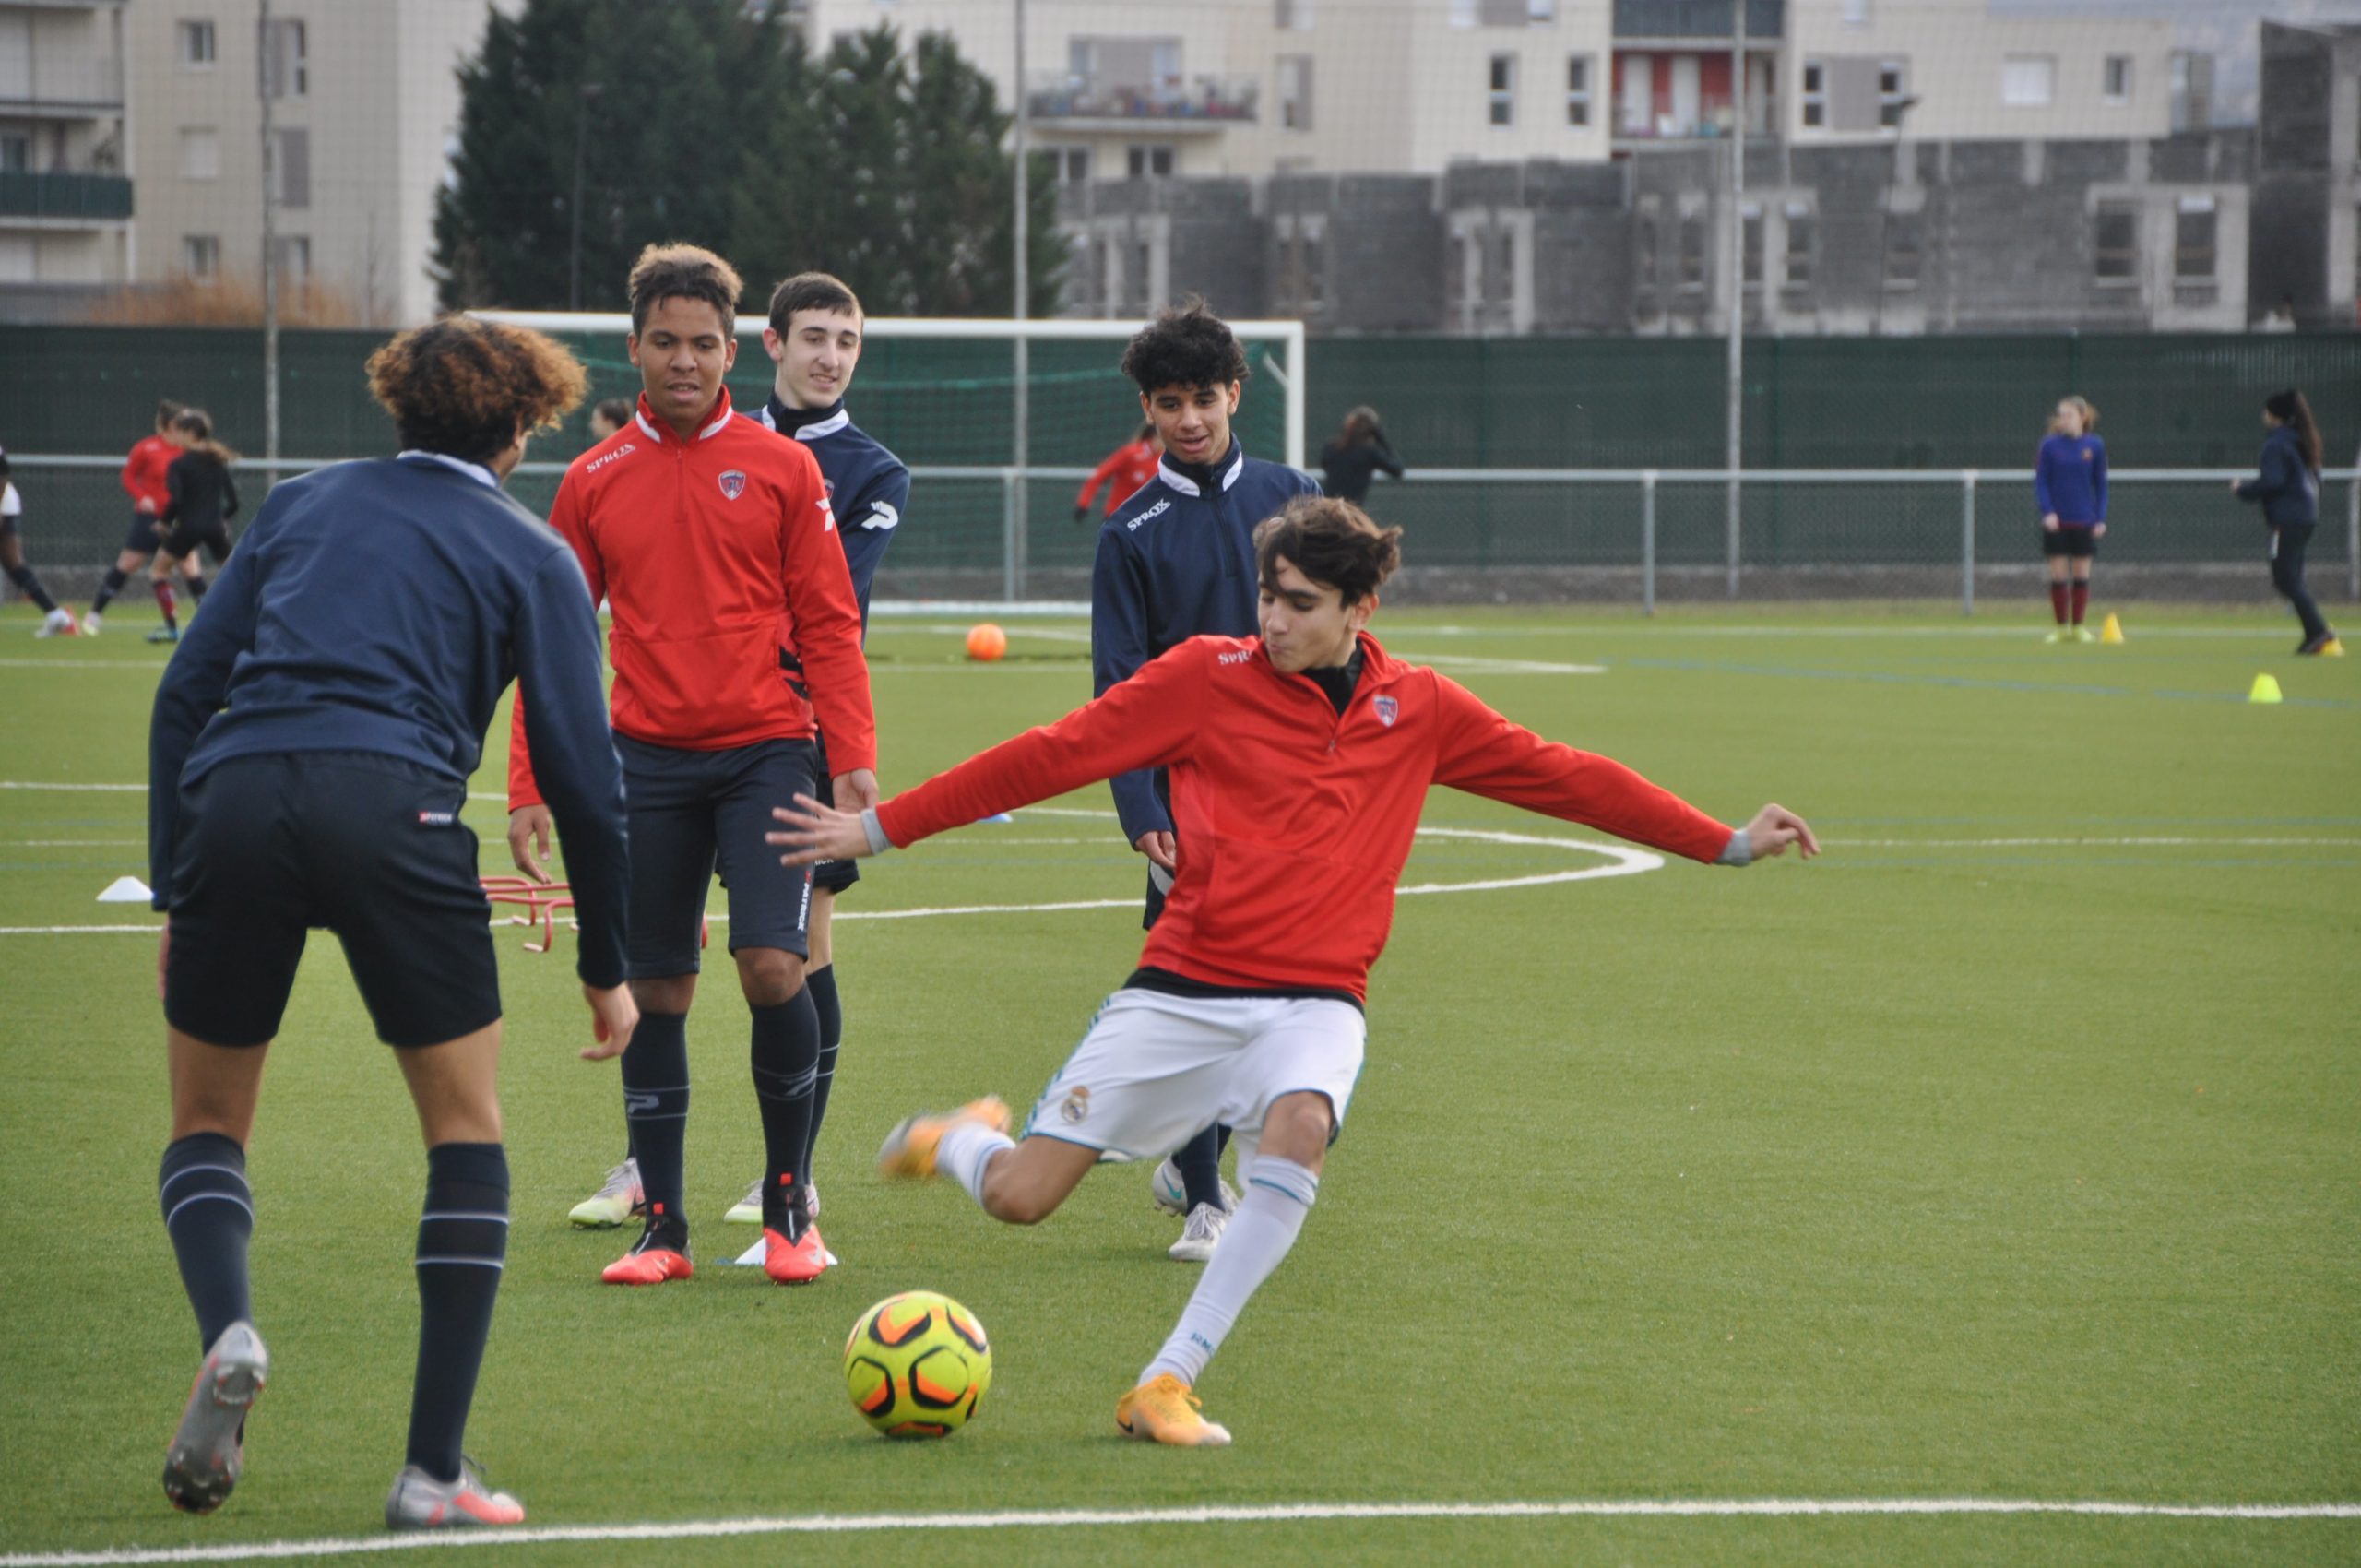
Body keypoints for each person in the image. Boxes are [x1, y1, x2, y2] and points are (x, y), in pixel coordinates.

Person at [766, 496, 1817, 1448]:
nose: (1273, 620)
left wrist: (1721, 841)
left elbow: (1563, 776)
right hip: (1183, 987)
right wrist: (880, 827)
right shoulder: (1202, 677)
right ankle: (960, 1138)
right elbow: (1053, 752)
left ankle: (1166, 1381)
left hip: (1318, 998)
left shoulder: (1420, 707)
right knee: (1019, 1197)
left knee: (1302, 1122)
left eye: (1301, 604)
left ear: (1360, 608)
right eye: (1267, 596)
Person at [147, 315, 635, 1530]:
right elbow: (586, 782)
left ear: (398, 406)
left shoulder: (301, 504)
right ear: (522, 426)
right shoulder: (534, 553)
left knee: (207, 1125)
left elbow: (184, 694)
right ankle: (430, 1474)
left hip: (237, 797)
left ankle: (230, 1332)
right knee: (465, 1133)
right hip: (395, 807)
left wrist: (172, 885)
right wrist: (608, 963)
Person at [505, 244, 878, 1288]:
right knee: (657, 985)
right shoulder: (592, 480)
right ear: (634, 348)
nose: (684, 361)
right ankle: (662, 1228)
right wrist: (529, 781)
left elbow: (829, 620)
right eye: (665, 343)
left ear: (731, 351)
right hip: (646, 763)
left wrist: (852, 755)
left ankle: (789, 1208)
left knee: (774, 965)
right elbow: (554, 643)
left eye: (703, 344)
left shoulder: (784, 467)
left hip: (769, 753)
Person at [1093, 299, 1322, 1263]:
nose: (1187, 419)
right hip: (1189, 797)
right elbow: (1118, 682)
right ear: (1148, 408)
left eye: (1203, 399)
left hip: (1293, 787)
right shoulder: (1131, 530)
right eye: (1168, 403)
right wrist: (1141, 804)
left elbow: (1341, 635)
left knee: (1284, 996)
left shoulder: (1295, 496)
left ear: (1235, 394)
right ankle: (1201, 1201)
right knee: (1195, 993)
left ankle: (1196, 1158)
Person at [2233, 388, 2342, 656]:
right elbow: (2316, 479)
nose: (2263, 415)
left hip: (2288, 519)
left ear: (2274, 415)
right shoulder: (2301, 440)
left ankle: (2319, 631)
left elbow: (2273, 481)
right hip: (2306, 516)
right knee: (2290, 578)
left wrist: (2242, 489)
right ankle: (2313, 635)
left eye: (2266, 411)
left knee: (2285, 578)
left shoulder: (2276, 444)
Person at [87, 399, 202, 636]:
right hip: (150, 518)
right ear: (171, 424)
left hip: (179, 520)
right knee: (128, 563)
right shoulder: (147, 448)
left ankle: (209, 622)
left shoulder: (189, 450)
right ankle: (94, 615)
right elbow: (128, 476)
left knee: (190, 568)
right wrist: (142, 497)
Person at [145, 408, 242, 643]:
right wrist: (222, 519)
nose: (175, 436)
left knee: (158, 572)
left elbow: (176, 501)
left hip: (187, 528)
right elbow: (234, 503)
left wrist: (163, 523)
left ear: (190, 433)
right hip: (215, 528)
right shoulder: (217, 461)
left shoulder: (179, 464)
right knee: (236, 576)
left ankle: (172, 630)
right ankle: (240, 624)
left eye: (179, 431)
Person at [2033, 395, 2106, 644]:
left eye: (2069, 415)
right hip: (2056, 521)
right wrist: (2048, 512)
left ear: (2082, 417)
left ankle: (2079, 627)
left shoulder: (2094, 445)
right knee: (2058, 576)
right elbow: (2041, 481)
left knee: (2081, 576)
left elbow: (2101, 485)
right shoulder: (2049, 445)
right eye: (2061, 415)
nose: (2064, 420)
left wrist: (2100, 518)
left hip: (2084, 520)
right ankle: (2061, 627)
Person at [0, 444, 79, 636]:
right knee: (14, 565)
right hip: (7, 506)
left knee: (14, 563)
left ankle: (56, 615)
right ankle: (55, 614)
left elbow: (2, 473)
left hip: (4, 506)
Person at [1074, 422, 1161, 521]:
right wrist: (1083, 504)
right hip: (1117, 517)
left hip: (1143, 519)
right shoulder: (1131, 453)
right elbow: (1098, 476)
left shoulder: (1164, 459)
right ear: (1155, 437)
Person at [1317, 406, 1404, 505]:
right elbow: (1397, 470)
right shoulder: (1369, 452)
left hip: (1328, 504)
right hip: (1351, 507)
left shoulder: (1332, 447)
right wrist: (1380, 438)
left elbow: (1324, 464)